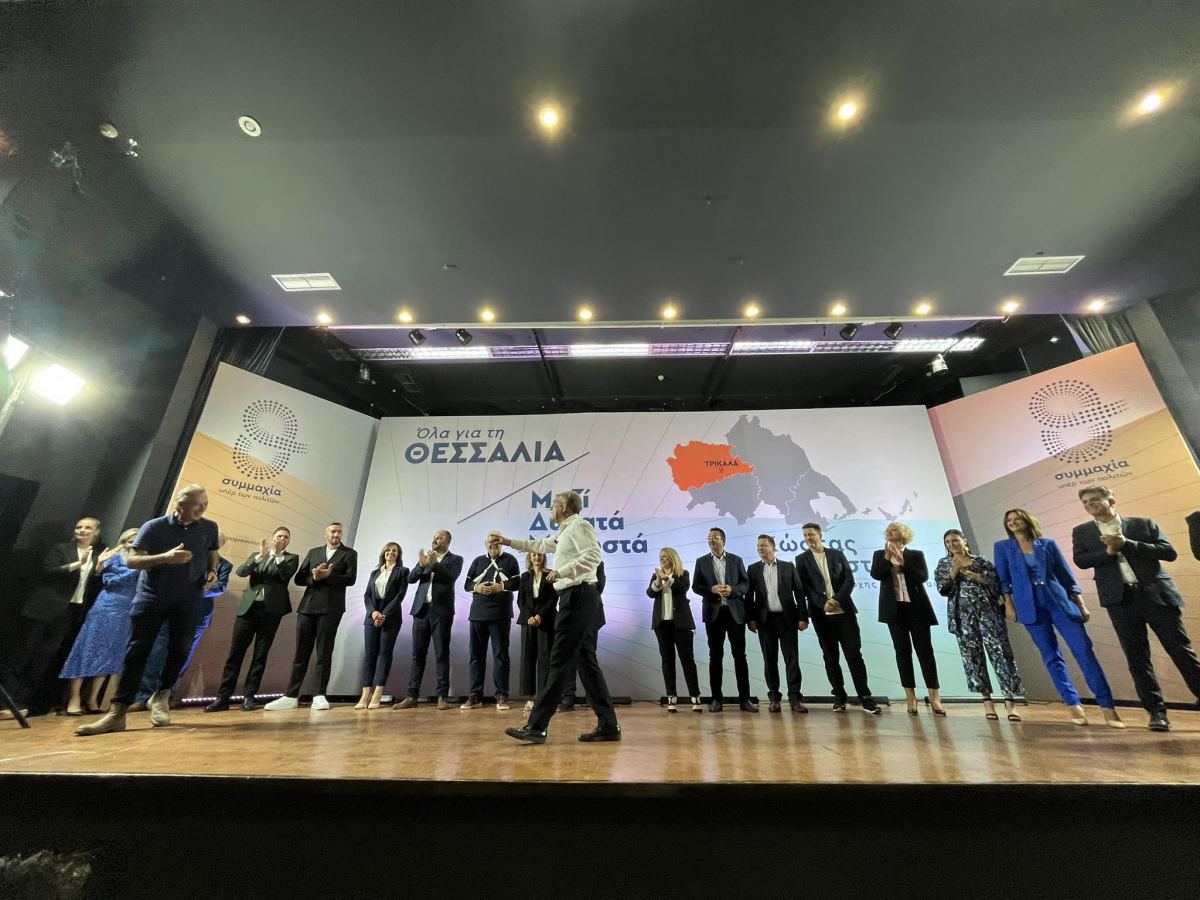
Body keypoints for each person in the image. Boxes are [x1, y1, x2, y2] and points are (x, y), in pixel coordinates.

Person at [75, 484, 220, 736]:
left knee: (180, 650)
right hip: (152, 598)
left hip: (188, 599)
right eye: (198, 504)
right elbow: (132, 560)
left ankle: (161, 696)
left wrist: (212, 570)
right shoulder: (154, 527)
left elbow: (212, 553)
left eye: (205, 503)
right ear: (180, 505)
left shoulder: (209, 527)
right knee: (137, 652)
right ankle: (117, 712)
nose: (203, 509)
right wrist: (164, 558)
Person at [493, 490, 620, 743]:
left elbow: (594, 557)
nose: (550, 510)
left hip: (578, 596)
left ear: (563, 507)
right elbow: (540, 545)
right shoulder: (565, 532)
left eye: (552, 506)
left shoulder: (580, 526)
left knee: (559, 660)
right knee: (586, 663)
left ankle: (537, 726)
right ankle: (608, 725)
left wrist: (563, 571)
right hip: (576, 596)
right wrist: (508, 542)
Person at [1072, 486, 1200, 732]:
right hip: (1120, 601)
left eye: (1094, 500)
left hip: (1156, 595)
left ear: (1111, 501)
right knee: (1137, 658)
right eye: (1085, 502)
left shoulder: (1143, 524)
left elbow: (1168, 552)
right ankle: (1156, 712)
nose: (1089, 505)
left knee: (1181, 650)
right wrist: (1109, 552)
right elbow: (1082, 560)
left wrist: (1127, 544)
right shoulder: (1082, 531)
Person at [994, 507, 1123, 728]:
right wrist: (1009, 605)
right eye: (1009, 520)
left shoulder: (1048, 544)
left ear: (1027, 520)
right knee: (1051, 656)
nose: (1013, 522)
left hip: (1058, 601)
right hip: (1029, 605)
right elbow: (1003, 580)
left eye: (1017, 519)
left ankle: (1107, 707)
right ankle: (1072, 704)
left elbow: (1065, 576)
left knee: (1083, 651)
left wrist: (1080, 604)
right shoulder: (1003, 547)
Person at [4, 517, 104, 717]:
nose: (82, 530)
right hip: (45, 608)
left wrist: (98, 569)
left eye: (87, 527)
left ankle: (25, 703)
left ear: (96, 532)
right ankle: (6, 702)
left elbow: (90, 584)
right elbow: (47, 571)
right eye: (79, 527)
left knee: (45, 658)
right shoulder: (61, 549)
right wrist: (77, 564)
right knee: (26, 652)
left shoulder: (97, 555)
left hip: (70, 611)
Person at [132, 532, 231, 708]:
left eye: (218, 541)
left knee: (181, 658)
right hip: (171, 611)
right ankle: (142, 697)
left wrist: (194, 591)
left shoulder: (225, 565)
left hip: (197, 616)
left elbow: (220, 587)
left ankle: (164, 697)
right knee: (156, 655)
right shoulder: (185, 556)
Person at [265, 522, 358, 711]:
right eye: (333, 531)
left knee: (324, 652)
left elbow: (351, 579)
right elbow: (299, 578)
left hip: (331, 608)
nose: (336, 535)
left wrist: (329, 575)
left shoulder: (349, 554)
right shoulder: (314, 552)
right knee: (301, 653)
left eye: (339, 532)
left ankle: (319, 695)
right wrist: (314, 578)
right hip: (307, 607)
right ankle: (291, 695)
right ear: (326, 534)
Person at [206, 527, 299, 712]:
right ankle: (223, 697)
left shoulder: (291, 558)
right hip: (248, 609)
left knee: (260, 655)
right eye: (279, 536)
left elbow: (285, 576)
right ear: (272, 538)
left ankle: (249, 696)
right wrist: (260, 557)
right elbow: (242, 572)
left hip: (271, 611)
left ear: (288, 541)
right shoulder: (257, 555)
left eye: (285, 537)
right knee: (235, 653)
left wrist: (277, 556)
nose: (282, 539)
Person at [934, 529, 1024, 721]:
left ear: (964, 541)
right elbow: (942, 589)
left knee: (1001, 654)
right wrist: (953, 574)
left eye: (955, 540)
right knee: (973, 658)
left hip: (988, 613)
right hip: (962, 617)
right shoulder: (944, 564)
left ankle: (1010, 702)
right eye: (948, 542)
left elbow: (997, 584)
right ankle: (987, 702)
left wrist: (976, 575)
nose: (952, 544)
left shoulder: (981, 561)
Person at [795, 523, 880, 714]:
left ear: (819, 535)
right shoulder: (801, 559)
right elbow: (805, 587)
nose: (808, 538)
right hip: (821, 615)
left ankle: (865, 697)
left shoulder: (837, 554)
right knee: (830, 657)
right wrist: (822, 603)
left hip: (845, 613)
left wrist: (836, 599)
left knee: (854, 655)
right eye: (805, 535)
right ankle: (839, 697)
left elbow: (849, 580)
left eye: (811, 534)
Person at [58, 529, 140, 715]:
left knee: (110, 653)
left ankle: (93, 698)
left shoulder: (145, 562)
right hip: (107, 605)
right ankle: (74, 698)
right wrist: (133, 570)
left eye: (137, 541)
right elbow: (109, 581)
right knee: (88, 648)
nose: (133, 545)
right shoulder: (114, 557)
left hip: (128, 610)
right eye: (130, 541)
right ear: (123, 542)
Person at [871, 523, 945, 716]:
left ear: (903, 534)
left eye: (894, 529)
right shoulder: (880, 554)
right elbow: (876, 574)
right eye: (888, 530)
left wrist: (902, 562)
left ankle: (934, 695)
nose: (890, 532)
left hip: (917, 609)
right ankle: (910, 696)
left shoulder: (915, 555)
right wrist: (887, 559)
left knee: (925, 651)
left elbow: (922, 576)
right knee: (902, 652)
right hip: (893, 610)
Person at [394, 530, 462, 710]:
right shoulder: (425, 558)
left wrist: (435, 564)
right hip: (421, 611)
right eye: (434, 537)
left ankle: (442, 697)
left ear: (447, 541)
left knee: (441, 654)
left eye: (439, 538)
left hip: (441, 612)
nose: (434, 540)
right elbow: (410, 579)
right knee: (417, 655)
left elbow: (450, 578)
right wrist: (421, 565)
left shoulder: (455, 559)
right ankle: (412, 696)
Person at [746, 535, 810, 713]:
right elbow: (748, 597)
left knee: (792, 659)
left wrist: (803, 617)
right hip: (765, 621)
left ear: (773, 548)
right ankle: (774, 698)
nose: (760, 548)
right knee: (769, 660)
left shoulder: (788, 567)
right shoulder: (753, 569)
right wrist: (750, 619)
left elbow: (799, 593)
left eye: (764, 545)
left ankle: (795, 698)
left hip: (787, 619)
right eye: (758, 546)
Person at [692, 527, 752, 713]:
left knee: (740, 656)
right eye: (709, 538)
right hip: (713, 615)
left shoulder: (736, 560)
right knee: (715, 656)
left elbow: (746, 584)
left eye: (715, 537)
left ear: (723, 541)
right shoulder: (701, 561)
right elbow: (696, 586)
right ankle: (716, 699)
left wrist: (733, 590)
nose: (711, 540)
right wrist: (711, 590)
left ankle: (745, 699)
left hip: (735, 613)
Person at [462, 538, 520, 711]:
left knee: (500, 655)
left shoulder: (510, 560)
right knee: (475, 656)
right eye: (490, 543)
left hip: (500, 614)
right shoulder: (477, 561)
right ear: (485, 544)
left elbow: (517, 583)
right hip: (478, 614)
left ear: (501, 544)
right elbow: (467, 584)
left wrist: (500, 587)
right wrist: (477, 588)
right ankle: (475, 695)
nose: (493, 545)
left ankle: (502, 695)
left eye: (496, 542)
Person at [646, 547, 702, 713]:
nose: (662, 559)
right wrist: (658, 582)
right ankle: (671, 697)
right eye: (660, 557)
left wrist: (666, 579)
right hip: (662, 625)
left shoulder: (683, 574)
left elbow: (682, 588)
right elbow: (650, 593)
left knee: (687, 661)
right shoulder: (655, 576)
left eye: (665, 556)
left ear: (672, 558)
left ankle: (695, 697)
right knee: (667, 661)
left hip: (682, 624)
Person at [355, 542, 409, 710]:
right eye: (388, 550)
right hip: (372, 617)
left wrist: (384, 615)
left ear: (398, 554)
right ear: (383, 552)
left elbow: (399, 596)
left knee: (385, 654)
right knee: (370, 655)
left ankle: (378, 692)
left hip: (391, 618)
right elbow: (367, 595)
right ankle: (365, 693)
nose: (390, 552)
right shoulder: (375, 572)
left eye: (394, 551)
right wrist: (373, 613)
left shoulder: (403, 571)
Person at [558, 560, 605, 711]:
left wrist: (575, 584)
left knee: (588, 658)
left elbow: (599, 587)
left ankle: (592, 697)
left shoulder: (597, 563)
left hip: (591, 615)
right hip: (569, 614)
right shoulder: (565, 561)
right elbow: (559, 589)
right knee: (568, 657)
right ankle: (568, 696)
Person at [517, 551, 555, 715]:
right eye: (533, 555)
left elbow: (553, 599)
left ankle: (543, 697)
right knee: (528, 658)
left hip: (546, 622)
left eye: (539, 555)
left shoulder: (550, 575)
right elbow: (521, 600)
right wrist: (529, 617)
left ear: (543, 558)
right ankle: (530, 698)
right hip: (528, 622)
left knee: (545, 659)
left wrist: (540, 615)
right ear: (530, 558)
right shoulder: (525, 576)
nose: (537, 558)